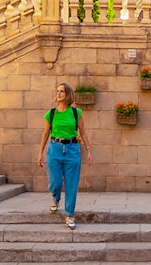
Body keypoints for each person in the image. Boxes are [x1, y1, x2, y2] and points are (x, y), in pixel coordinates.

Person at [37, 82, 92, 229]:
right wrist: (40, 153)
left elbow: (83, 132)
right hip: (54, 149)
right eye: (57, 91)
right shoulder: (51, 114)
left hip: (72, 150)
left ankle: (70, 215)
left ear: (68, 94)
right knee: (55, 183)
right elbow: (45, 134)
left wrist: (89, 150)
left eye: (62, 91)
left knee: (71, 184)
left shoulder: (76, 113)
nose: (59, 93)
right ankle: (55, 198)